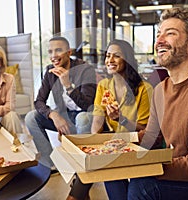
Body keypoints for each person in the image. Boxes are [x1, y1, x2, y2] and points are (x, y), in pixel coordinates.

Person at [105, 7, 188, 200]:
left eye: (170, 34)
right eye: (159, 34)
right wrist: (113, 147)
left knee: (144, 186)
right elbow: (151, 137)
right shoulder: (161, 89)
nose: (159, 41)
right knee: (111, 168)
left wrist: (139, 165)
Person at [67, 39, 153, 200]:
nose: (110, 60)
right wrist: (95, 145)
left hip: (137, 147)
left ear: (127, 59)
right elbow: (96, 125)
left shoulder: (144, 89)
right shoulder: (104, 86)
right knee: (92, 166)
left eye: (116, 56)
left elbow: (146, 130)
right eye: (108, 56)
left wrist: (122, 119)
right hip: (114, 145)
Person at [24, 36, 96, 170]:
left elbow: (87, 105)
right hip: (65, 117)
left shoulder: (85, 70)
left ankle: (81, 165)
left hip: (86, 118)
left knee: (82, 118)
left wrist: (67, 84)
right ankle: (52, 164)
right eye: (50, 51)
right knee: (31, 117)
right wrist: (53, 115)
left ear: (69, 53)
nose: (53, 55)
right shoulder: (50, 71)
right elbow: (39, 101)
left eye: (58, 50)